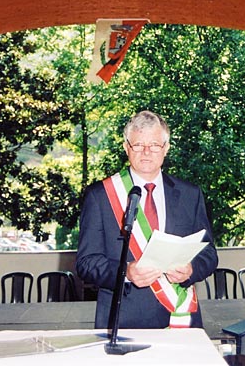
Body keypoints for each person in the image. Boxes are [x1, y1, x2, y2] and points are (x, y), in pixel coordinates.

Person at [76, 109, 218, 330]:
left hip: (180, 316)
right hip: (124, 321)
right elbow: (86, 263)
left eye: (154, 145)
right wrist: (126, 272)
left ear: (166, 148)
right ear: (126, 148)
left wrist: (191, 269)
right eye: (138, 145)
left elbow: (209, 254)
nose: (146, 152)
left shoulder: (190, 194)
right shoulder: (100, 196)